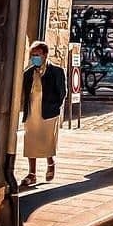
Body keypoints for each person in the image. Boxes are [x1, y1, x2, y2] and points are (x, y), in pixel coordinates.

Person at [20, 42, 66, 187]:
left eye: (37, 55)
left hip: (48, 112)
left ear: (45, 55)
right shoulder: (28, 73)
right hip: (32, 111)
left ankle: (50, 163)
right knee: (31, 140)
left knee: (47, 140)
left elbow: (62, 92)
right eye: (33, 55)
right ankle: (32, 173)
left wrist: (55, 106)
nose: (35, 58)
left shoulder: (56, 71)